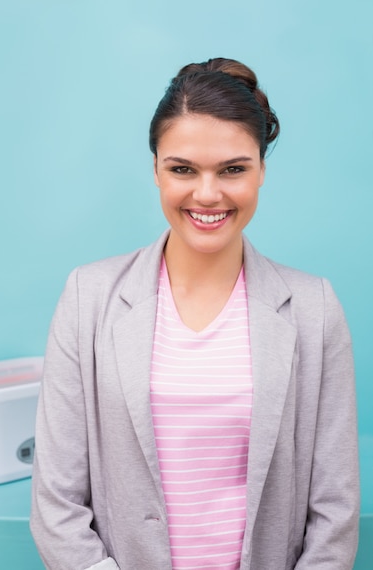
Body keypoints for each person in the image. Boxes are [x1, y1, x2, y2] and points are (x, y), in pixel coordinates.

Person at [30, 58, 359, 570]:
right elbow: (56, 501)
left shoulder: (314, 308)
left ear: (262, 170)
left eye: (233, 169)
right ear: (156, 169)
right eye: (182, 168)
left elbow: (334, 510)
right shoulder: (87, 296)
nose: (207, 194)